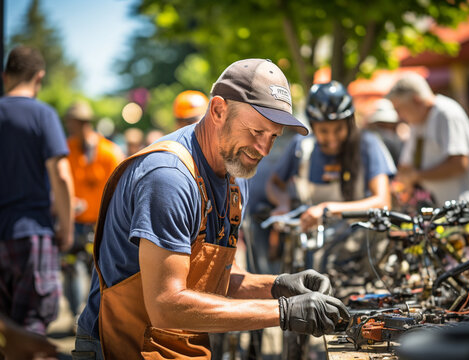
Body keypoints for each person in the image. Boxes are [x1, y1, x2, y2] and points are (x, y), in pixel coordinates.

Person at [74, 58, 348, 359]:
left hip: (177, 347)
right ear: (218, 110)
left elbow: (212, 282)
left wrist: (280, 286)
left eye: (273, 136)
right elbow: (166, 304)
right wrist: (283, 312)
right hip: (120, 348)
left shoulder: (236, 172)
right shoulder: (169, 177)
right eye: (256, 131)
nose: (263, 150)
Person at [0, 45, 74, 335]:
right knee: (32, 329)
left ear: (5, 76)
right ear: (39, 77)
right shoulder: (43, 115)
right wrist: (66, 229)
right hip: (32, 235)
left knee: (5, 337)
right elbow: (61, 175)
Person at [266, 80, 395, 233]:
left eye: (339, 129)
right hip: (312, 241)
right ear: (313, 127)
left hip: (359, 242)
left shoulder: (368, 145)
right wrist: (283, 203)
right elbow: (274, 184)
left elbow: (382, 201)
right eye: (324, 131)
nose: (332, 138)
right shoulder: (301, 147)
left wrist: (327, 209)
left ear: (349, 123)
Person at [387, 72, 469, 208]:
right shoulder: (417, 122)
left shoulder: (446, 113)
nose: (398, 115)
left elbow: (459, 163)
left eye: (399, 109)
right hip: (441, 212)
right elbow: (406, 166)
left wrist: (416, 176)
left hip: (465, 211)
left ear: (416, 100)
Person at [64, 100, 124, 321]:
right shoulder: (66, 149)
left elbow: (120, 190)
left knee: (98, 274)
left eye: (71, 123)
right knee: (72, 271)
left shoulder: (110, 152)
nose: (69, 127)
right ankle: (76, 316)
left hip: (101, 223)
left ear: (83, 123)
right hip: (74, 222)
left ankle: (95, 318)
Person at [365, 98, 403, 168]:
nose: (385, 128)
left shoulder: (398, 142)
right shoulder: (368, 142)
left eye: (388, 125)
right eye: (380, 125)